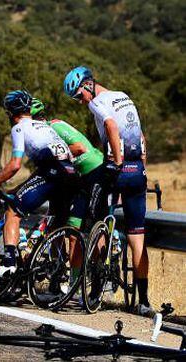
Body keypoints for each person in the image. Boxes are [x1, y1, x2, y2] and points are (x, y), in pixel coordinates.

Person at [64, 66, 151, 315]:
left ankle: (94, 291)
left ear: (88, 85)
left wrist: (117, 162)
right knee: (137, 236)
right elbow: (141, 136)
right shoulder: (124, 96)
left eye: (79, 96)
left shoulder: (98, 102)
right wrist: (141, 166)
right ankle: (143, 302)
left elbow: (112, 127)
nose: (81, 102)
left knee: (96, 222)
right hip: (138, 171)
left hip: (117, 168)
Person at [0, 90, 76, 277]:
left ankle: (9, 265)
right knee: (56, 226)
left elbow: (15, 165)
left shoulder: (19, 128)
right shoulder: (44, 126)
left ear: (11, 113)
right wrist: (19, 188)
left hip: (52, 174)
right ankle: (57, 274)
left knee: (13, 211)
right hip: (70, 175)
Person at [31, 97, 106, 291]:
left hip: (93, 173)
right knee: (58, 227)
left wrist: (53, 154)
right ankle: (57, 279)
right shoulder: (40, 138)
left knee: (77, 231)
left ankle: (85, 280)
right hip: (72, 180)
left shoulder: (54, 126)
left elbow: (79, 148)